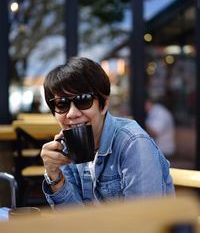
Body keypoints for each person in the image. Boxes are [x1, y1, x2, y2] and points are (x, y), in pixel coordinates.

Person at [41, 57, 175, 207]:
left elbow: (142, 221)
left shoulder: (133, 143)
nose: (72, 114)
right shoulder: (66, 147)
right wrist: (54, 175)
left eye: (83, 100)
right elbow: (73, 218)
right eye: (62, 104)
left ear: (104, 104)